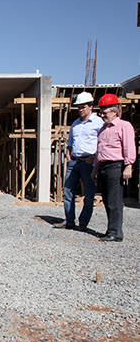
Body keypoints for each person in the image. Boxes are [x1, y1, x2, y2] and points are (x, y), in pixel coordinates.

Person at [54, 92, 103, 231]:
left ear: (91, 107)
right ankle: (69, 221)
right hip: (74, 162)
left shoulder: (98, 123)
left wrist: (94, 158)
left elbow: (102, 143)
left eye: (83, 107)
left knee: (88, 193)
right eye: (79, 107)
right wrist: (68, 150)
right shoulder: (75, 124)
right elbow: (71, 140)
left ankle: (83, 222)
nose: (81, 109)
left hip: (89, 162)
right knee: (68, 191)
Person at [90, 94, 137, 242]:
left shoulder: (124, 126)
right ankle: (111, 229)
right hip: (104, 166)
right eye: (101, 112)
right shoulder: (103, 129)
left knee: (114, 200)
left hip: (115, 166)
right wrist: (95, 168)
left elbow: (129, 147)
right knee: (107, 199)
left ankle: (116, 232)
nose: (102, 115)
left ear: (114, 111)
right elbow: (100, 150)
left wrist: (128, 166)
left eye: (105, 112)